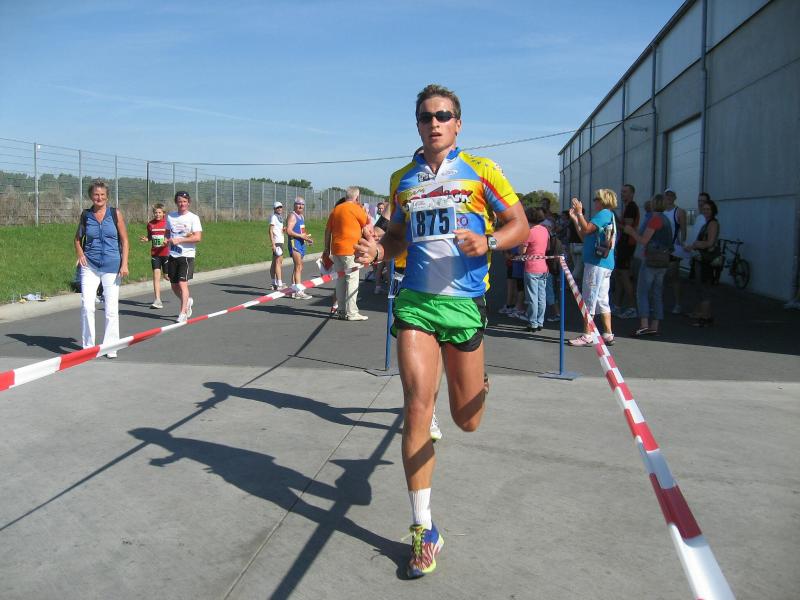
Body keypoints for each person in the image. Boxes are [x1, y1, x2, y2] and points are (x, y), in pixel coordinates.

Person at [353, 83, 528, 578]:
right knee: (416, 406)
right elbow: (397, 237)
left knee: (467, 420)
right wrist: (378, 251)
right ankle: (424, 529)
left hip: (465, 306)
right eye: (427, 116)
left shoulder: (482, 171)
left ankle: (477, 383)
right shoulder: (402, 179)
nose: (435, 123)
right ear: (417, 124)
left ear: (458, 123)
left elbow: (518, 223)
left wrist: (489, 239)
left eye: (444, 115)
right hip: (416, 303)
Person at [74, 179, 129, 358]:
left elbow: (125, 241)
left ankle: (110, 346)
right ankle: (88, 347)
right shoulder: (86, 215)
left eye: (102, 195)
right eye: (96, 194)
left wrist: (124, 264)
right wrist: (80, 254)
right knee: (87, 306)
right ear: (91, 196)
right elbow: (77, 239)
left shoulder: (115, 214)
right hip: (90, 265)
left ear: (107, 196)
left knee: (111, 309)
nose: (99, 198)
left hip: (112, 265)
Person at [567, 189, 618, 347]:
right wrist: (576, 219)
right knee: (602, 299)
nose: (594, 201)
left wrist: (579, 213)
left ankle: (587, 334)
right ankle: (608, 333)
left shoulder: (603, 214)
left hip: (596, 264)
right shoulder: (609, 215)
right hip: (604, 263)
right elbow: (585, 235)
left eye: (596, 198)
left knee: (589, 298)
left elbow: (587, 229)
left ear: (603, 201)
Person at [624, 194, 673, 335]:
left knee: (643, 291)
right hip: (663, 260)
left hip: (651, 259)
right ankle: (655, 325)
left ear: (653, 204)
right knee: (657, 293)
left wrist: (631, 232)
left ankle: (644, 324)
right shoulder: (666, 220)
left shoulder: (655, 219)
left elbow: (644, 240)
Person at [326, 186, 370, 321]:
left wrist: (326, 248)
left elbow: (328, 231)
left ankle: (341, 310)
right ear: (357, 197)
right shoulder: (357, 209)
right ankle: (352, 312)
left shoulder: (336, 209)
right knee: (352, 280)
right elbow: (366, 223)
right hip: (351, 250)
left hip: (336, 249)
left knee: (340, 280)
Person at [166, 191, 203, 323]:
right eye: (180, 201)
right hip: (173, 255)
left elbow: (198, 238)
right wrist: (166, 240)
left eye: (184, 201)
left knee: (182, 283)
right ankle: (187, 301)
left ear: (189, 203)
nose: (182, 204)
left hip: (187, 256)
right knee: (174, 286)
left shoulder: (193, 218)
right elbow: (167, 233)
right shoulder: (170, 216)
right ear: (176, 202)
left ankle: (183, 313)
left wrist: (180, 240)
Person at [684, 199, 720, 326]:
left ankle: (705, 318)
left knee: (704, 289)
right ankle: (705, 315)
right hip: (701, 258)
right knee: (701, 287)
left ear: (713, 210)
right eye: (704, 209)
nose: (706, 211)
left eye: (708, 209)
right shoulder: (707, 223)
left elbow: (710, 243)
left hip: (706, 260)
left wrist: (696, 244)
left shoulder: (713, 224)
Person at [612, 184, 640, 318]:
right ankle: (617, 305)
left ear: (632, 194)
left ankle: (632, 307)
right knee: (619, 275)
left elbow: (627, 228)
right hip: (624, 244)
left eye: (625, 192)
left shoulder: (631, 207)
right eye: (622, 192)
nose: (622, 194)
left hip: (627, 244)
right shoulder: (627, 208)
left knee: (624, 275)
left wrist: (614, 221)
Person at [521, 207, 549, 332]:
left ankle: (532, 323)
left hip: (531, 267)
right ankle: (540, 321)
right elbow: (547, 247)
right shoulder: (545, 230)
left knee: (532, 297)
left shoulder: (529, 232)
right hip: (543, 265)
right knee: (541, 296)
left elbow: (522, 251)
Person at [663, 188, 689, 314]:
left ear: (675, 197)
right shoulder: (661, 211)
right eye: (667, 195)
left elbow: (683, 230)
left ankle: (678, 303)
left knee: (674, 276)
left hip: (673, 248)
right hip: (661, 248)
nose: (669, 197)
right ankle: (659, 302)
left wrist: (682, 243)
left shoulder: (679, 212)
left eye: (671, 195)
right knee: (659, 276)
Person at [139, 203, 168, 309]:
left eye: (159, 212)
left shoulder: (167, 223)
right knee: (156, 276)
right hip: (155, 254)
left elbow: (172, 236)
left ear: (164, 213)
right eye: (156, 212)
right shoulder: (150, 224)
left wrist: (167, 240)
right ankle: (157, 300)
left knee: (167, 276)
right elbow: (150, 237)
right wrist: (146, 239)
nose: (157, 214)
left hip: (166, 253)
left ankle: (184, 294)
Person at [286, 197, 313, 299]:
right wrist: (300, 236)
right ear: (294, 205)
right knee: (298, 266)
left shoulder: (301, 216)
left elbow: (302, 231)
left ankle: (293, 289)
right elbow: (288, 231)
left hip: (301, 242)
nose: (300, 206)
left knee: (299, 267)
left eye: (302, 204)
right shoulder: (292, 216)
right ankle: (299, 291)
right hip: (295, 243)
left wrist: (307, 239)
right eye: (298, 204)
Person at [269, 202, 285, 290]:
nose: (279, 209)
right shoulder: (274, 217)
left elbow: (278, 229)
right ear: (274, 209)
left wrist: (284, 229)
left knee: (274, 263)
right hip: (277, 242)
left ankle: (273, 283)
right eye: (277, 207)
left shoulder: (280, 217)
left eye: (280, 207)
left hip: (280, 241)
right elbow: (270, 230)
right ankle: (279, 284)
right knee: (279, 263)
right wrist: (273, 244)